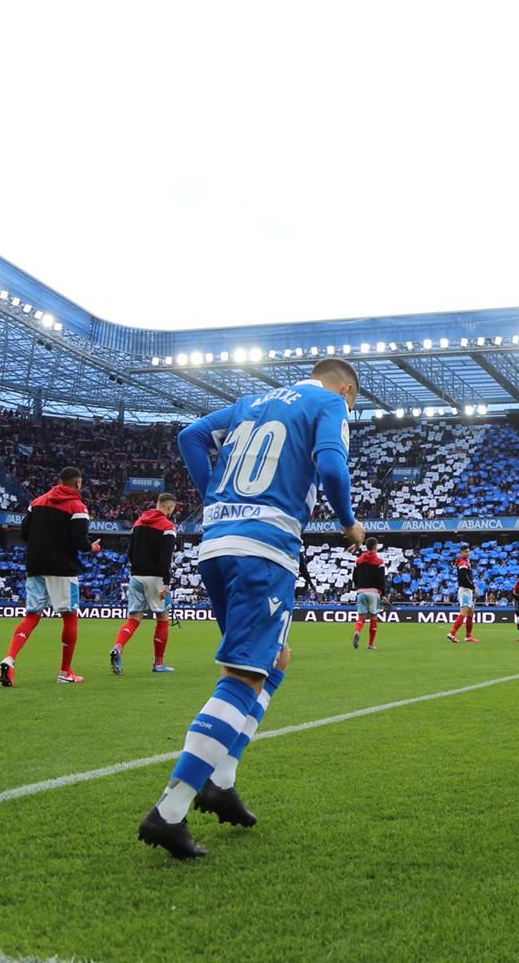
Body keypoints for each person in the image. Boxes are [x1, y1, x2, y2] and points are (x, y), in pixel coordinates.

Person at [138, 358, 365, 859]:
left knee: (275, 659)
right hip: (263, 549)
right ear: (347, 388)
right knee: (243, 675)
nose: (350, 409)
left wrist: (218, 500)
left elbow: (190, 436)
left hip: (217, 543)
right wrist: (349, 524)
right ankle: (171, 810)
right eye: (354, 402)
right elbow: (331, 465)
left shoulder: (250, 403)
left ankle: (221, 778)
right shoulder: (329, 402)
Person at [0, 467, 101, 687]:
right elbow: (80, 542)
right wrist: (92, 548)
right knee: (70, 616)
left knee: (32, 615)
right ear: (77, 484)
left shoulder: (36, 503)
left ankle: (10, 658)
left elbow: (25, 534)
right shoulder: (78, 506)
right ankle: (65, 672)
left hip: (35, 566)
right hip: (63, 569)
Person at [112, 492, 180, 675]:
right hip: (155, 577)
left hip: (136, 576)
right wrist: (166, 583)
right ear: (169, 507)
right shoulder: (168, 527)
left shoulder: (138, 523)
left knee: (134, 619)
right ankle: (158, 663)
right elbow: (165, 558)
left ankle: (118, 647)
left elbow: (130, 552)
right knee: (163, 618)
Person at [351, 538, 388, 650]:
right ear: (375, 547)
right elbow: (381, 580)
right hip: (373, 592)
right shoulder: (379, 562)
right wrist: (383, 595)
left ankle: (357, 631)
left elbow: (354, 577)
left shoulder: (358, 561)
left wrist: (359, 587)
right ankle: (371, 644)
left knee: (361, 616)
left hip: (361, 592)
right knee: (373, 617)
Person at [446, 545, 480, 643]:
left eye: (468, 551)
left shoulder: (465, 563)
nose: (468, 553)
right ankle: (452, 633)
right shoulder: (462, 564)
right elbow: (464, 579)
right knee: (464, 612)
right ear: (461, 552)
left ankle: (468, 636)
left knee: (471, 612)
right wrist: (474, 587)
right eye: (465, 551)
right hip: (465, 591)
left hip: (468, 591)